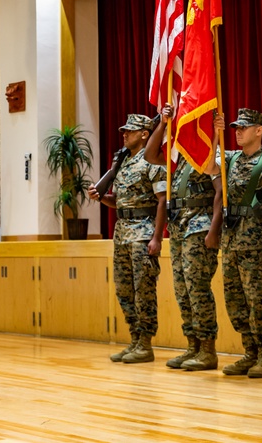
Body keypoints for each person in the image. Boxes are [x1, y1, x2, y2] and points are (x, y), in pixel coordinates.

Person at [144, 104, 222, 371]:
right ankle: (193, 346)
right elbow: (149, 153)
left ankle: (208, 350)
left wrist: (213, 230)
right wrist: (163, 124)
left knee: (197, 288)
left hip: (199, 227)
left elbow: (220, 193)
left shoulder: (210, 151)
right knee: (182, 290)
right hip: (178, 228)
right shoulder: (177, 154)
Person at [88, 114, 166, 364]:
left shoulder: (152, 161)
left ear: (145, 134)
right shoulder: (121, 162)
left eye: (130, 131)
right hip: (121, 233)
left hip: (143, 233)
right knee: (124, 290)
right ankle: (134, 340)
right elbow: (119, 202)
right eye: (124, 131)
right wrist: (100, 197)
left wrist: (157, 237)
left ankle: (145, 344)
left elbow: (162, 199)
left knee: (143, 290)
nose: (124, 134)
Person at [206, 109, 262, 378]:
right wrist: (216, 133)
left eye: (243, 128)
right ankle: (249, 353)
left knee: (257, 300)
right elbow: (206, 165)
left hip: (255, 241)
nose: (238, 132)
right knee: (235, 301)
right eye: (235, 127)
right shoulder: (230, 158)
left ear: (259, 130)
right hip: (232, 240)